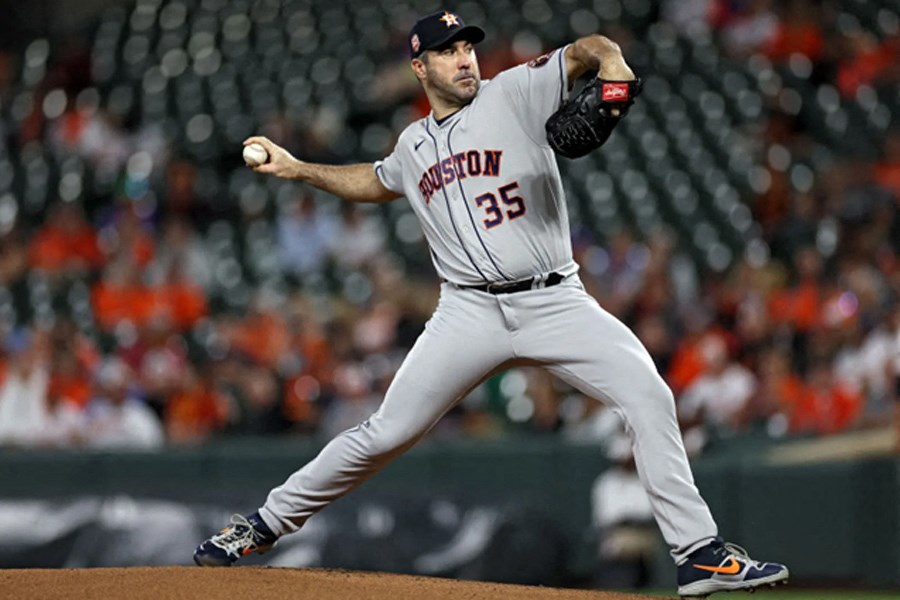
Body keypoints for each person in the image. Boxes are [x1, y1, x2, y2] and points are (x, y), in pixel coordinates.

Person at [194, 10, 789, 597]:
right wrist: (298, 169)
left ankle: (698, 555)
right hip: (467, 314)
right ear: (419, 67)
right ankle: (263, 525)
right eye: (448, 51)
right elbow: (376, 180)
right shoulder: (413, 144)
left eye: (468, 48)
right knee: (384, 433)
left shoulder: (515, 92)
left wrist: (612, 63)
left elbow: (588, 48)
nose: (463, 59)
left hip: (554, 299)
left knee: (649, 396)